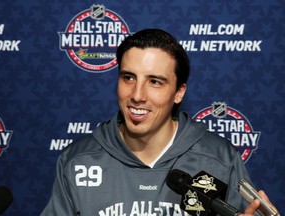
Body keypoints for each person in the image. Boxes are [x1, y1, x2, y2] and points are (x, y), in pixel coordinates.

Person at [41, 29, 279, 216]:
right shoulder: (77, 160)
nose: (137, 95)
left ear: (178, 93)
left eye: (155, 82)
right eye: (128, 77)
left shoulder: (219, 159)